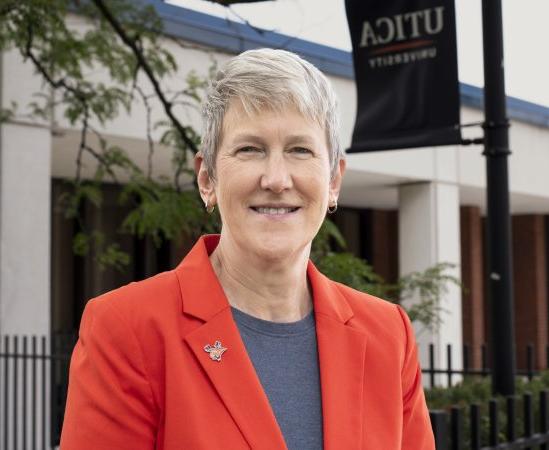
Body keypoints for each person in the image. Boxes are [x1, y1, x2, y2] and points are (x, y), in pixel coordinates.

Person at [60, 48, 435, 450]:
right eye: (250, 149)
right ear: (207, 178)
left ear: (333, 182)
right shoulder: (127, 328)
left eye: (300, 150)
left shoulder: (387, 334)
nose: (276, 179)